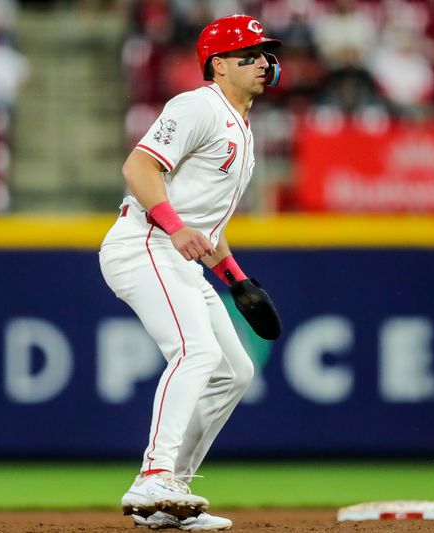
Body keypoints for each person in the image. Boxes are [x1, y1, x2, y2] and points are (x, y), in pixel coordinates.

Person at [99, 14, 283, 532]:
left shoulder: (241, 127)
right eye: (248, 54)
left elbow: (206, 224)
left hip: (172, 249)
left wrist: (235, 278)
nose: (263, 62)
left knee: (234, 371)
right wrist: (177, 228)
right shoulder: (198, 105)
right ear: (219, 65)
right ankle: (152, 475)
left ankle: (169, 495)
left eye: (264, 53)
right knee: (197, 351)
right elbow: (139, 168)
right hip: (144, 242)